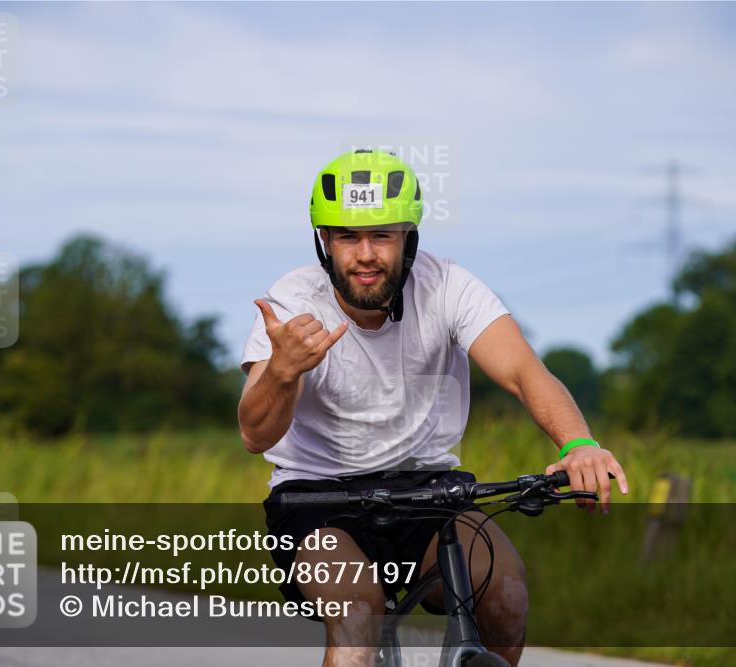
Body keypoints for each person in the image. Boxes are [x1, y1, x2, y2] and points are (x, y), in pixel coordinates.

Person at [238, 149, 628, 667]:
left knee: (505, 596)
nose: (365, 255)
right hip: (316, 506)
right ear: (324, 241)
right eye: (347, 237)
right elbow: (255, 434)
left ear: (409, 238)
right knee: (359, 615)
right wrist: (283, 371)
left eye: (382, 236)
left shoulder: (449, 287)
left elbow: (524, 372)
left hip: (428, 497)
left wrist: (578, 444)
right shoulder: (292, 303)